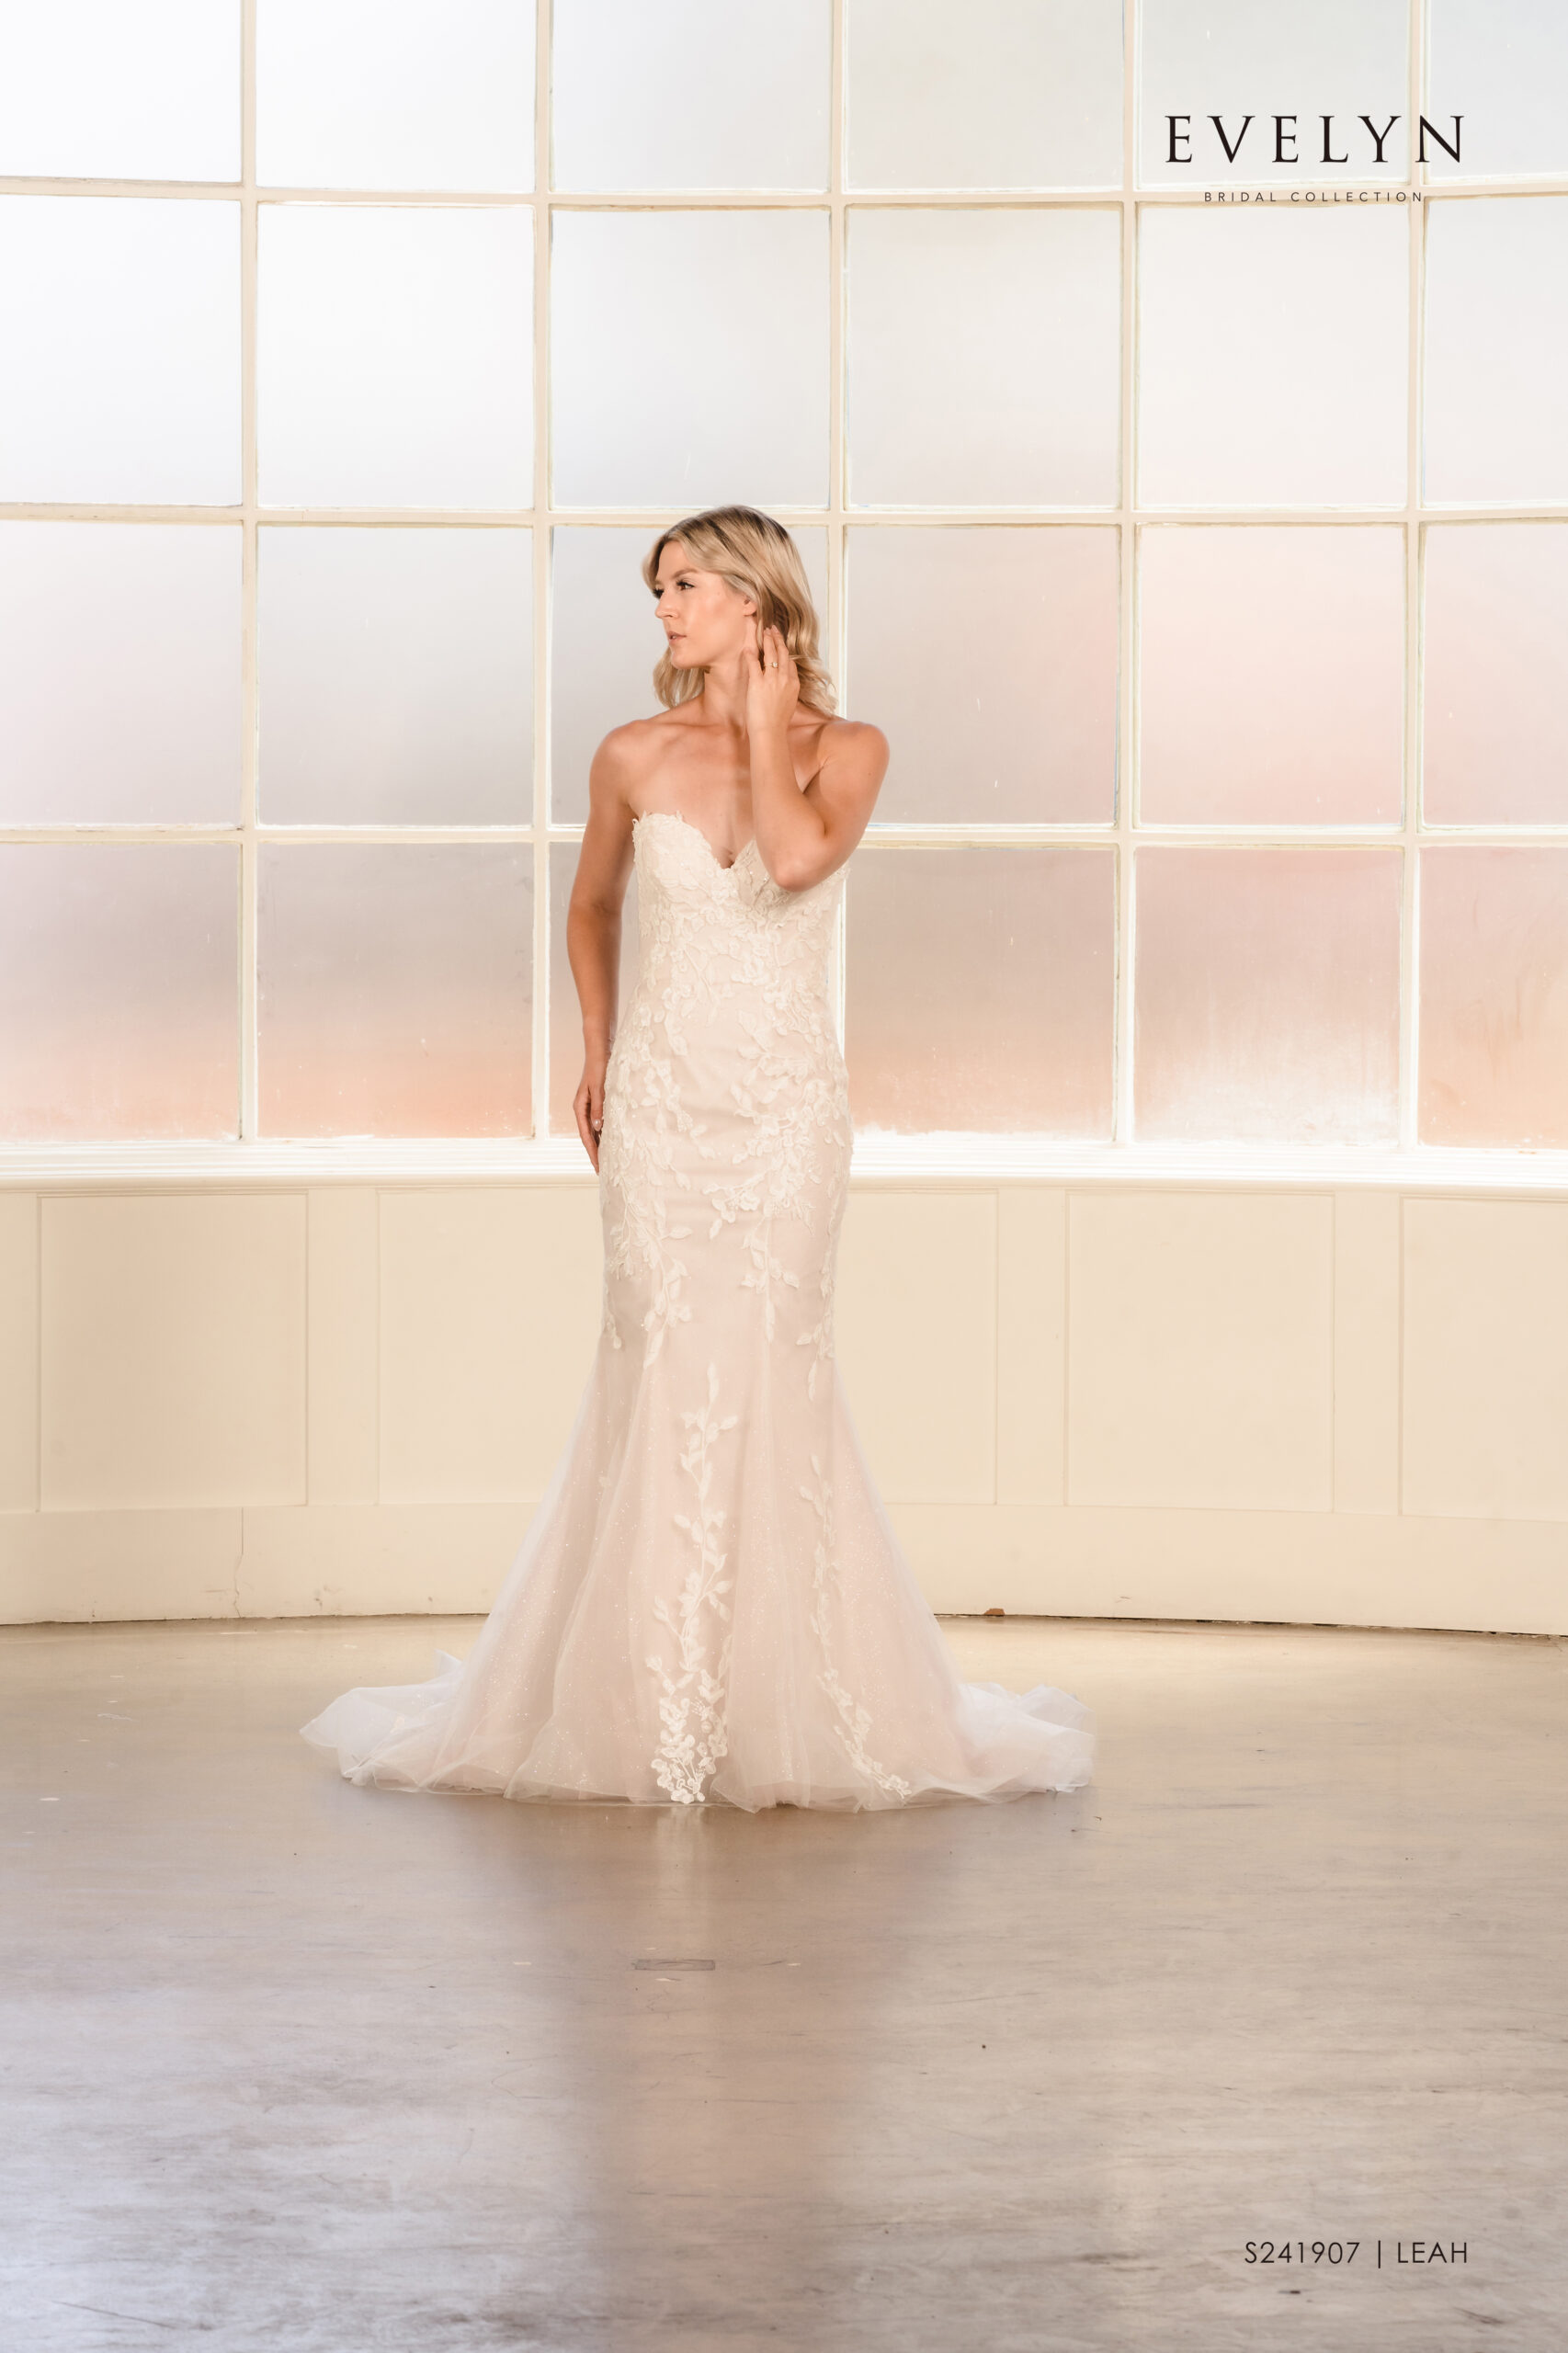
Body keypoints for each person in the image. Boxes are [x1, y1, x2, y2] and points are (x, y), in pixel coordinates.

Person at [301, 505, 1094, 1809]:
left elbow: (793, 859)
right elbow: (591, 905)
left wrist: (771, 728)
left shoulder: (850, 749)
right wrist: (598, 1048)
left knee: (777, 1374)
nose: (663, 609)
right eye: (659, 590)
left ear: (753, 599)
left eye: (684, 586)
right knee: (659, 1368)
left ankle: (786, 1702)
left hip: (784, 1120)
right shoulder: (632, 752)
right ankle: (644, 1700)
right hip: (664, 1109)